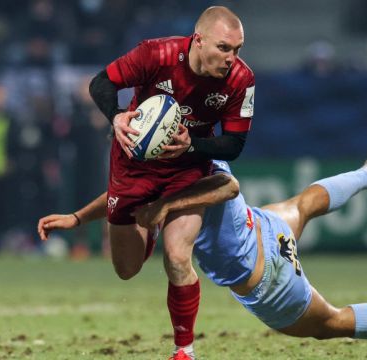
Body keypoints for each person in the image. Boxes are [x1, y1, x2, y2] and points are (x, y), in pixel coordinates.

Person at [38, 140, 367, 357]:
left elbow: (215, 196)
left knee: (331, 322)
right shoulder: (194, 150)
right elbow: (125, 196)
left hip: (267, 280)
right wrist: (79, 217)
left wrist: (164, 208)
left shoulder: (194, 177)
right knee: (302, 205)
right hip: (261, 227)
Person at [86, 5, 255, 359]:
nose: (231, 59)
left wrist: (193, 145)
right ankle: (147, 229)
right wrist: (116, 117)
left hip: (188, 170)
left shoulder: (241, 80)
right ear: (198, 41)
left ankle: (184, 350)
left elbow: (234, 145)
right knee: (126, 269)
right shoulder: (155, 54)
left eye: (237, 50)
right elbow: (100, 82)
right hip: (133, 166)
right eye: (224, 48)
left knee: (178, 256)